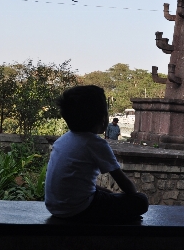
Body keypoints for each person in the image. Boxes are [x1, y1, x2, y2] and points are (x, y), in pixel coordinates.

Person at [45, 85, 148, 223]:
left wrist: (110, 195)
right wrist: (133, 198)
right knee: (141, 201)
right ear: (102, 118)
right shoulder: (95, 144)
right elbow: (123, 181)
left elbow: (75, 182)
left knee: (108, 194)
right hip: (79, 210)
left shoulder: (62, 140)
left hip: (55, 207)